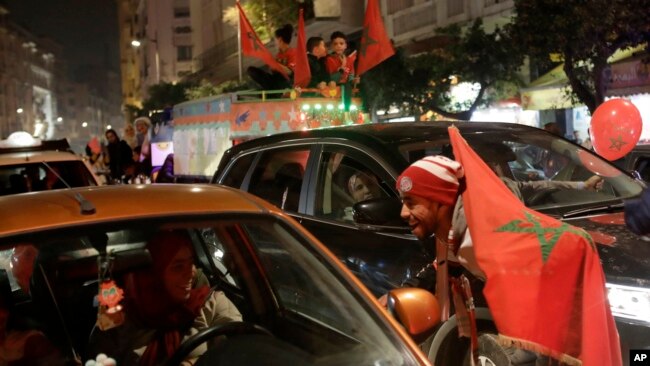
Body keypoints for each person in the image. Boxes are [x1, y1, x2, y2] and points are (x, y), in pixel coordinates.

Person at [88, 230, 242, 365]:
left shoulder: (211, 302)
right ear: (156, 273)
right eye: (178, 266)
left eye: (191, 263)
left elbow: (244, 349)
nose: (190, 273)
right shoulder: (119, 317)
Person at [247, 24, 296, 91]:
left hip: (287, 83)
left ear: (280, 40)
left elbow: (291, 72)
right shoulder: (278, 55)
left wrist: (276, 65)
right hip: (275, 82)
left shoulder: (293, 52)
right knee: (252, 71)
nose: (274, 43)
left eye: (275, 40)